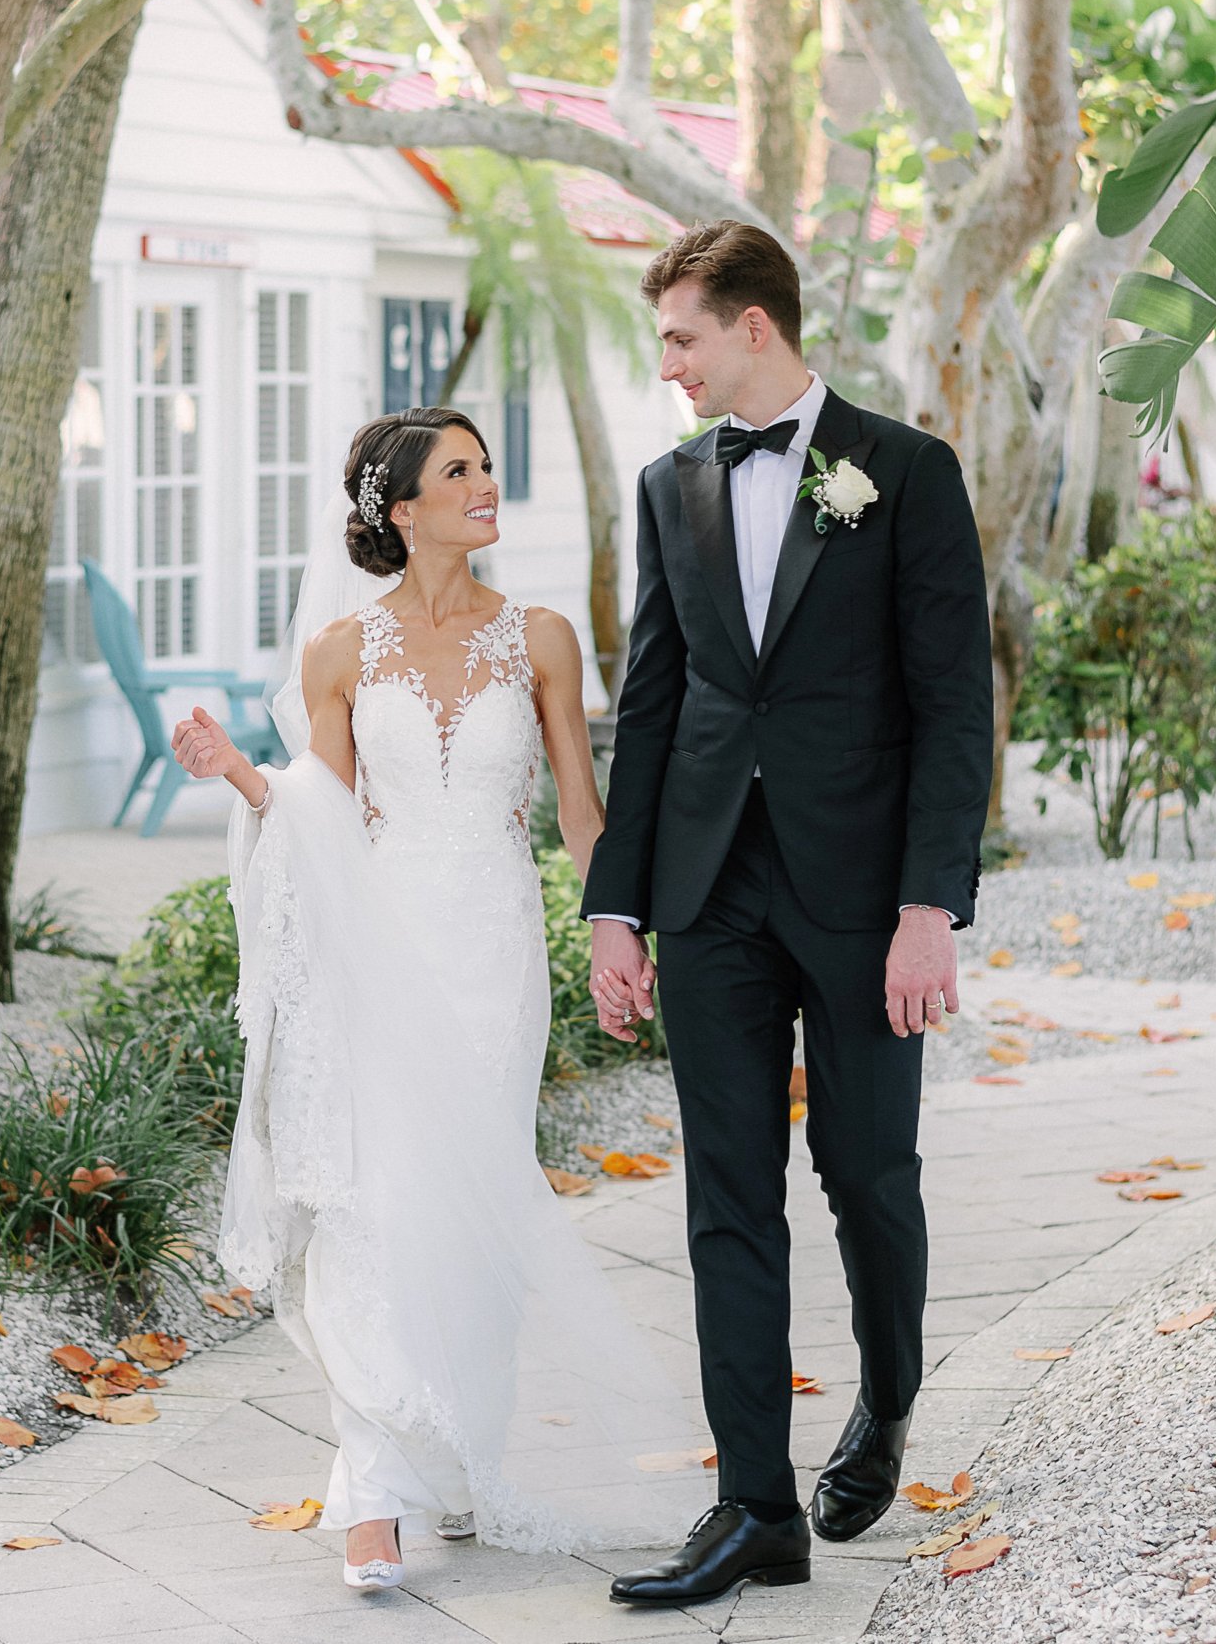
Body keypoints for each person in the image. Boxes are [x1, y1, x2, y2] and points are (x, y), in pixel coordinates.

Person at [171, 407, 705, 1593]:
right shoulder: (340, 654)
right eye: (458, 471)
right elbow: (321, 815)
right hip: (384, 942)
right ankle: (375, 1490)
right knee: (374, 1201)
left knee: (474, 1198)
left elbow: (579, 810)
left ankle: (457, 1453)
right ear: (401, 511)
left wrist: (618, 930)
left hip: (496, 952)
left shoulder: (546, 639)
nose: (486, 481)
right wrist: (241, 774)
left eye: (485, 464)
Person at [583, 222, 994, 1608]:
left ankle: (886, 1398)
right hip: (710, 893)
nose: (674, 369)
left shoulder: (907, 471)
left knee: (869, 1177)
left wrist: (930, 906)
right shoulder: (667, 484)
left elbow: (954, 708)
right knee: (726, 1200)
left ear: (755, 326)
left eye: (685, 340)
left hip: (866, 895)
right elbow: (653, 702)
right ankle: (753, 1506)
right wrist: (617, 909)